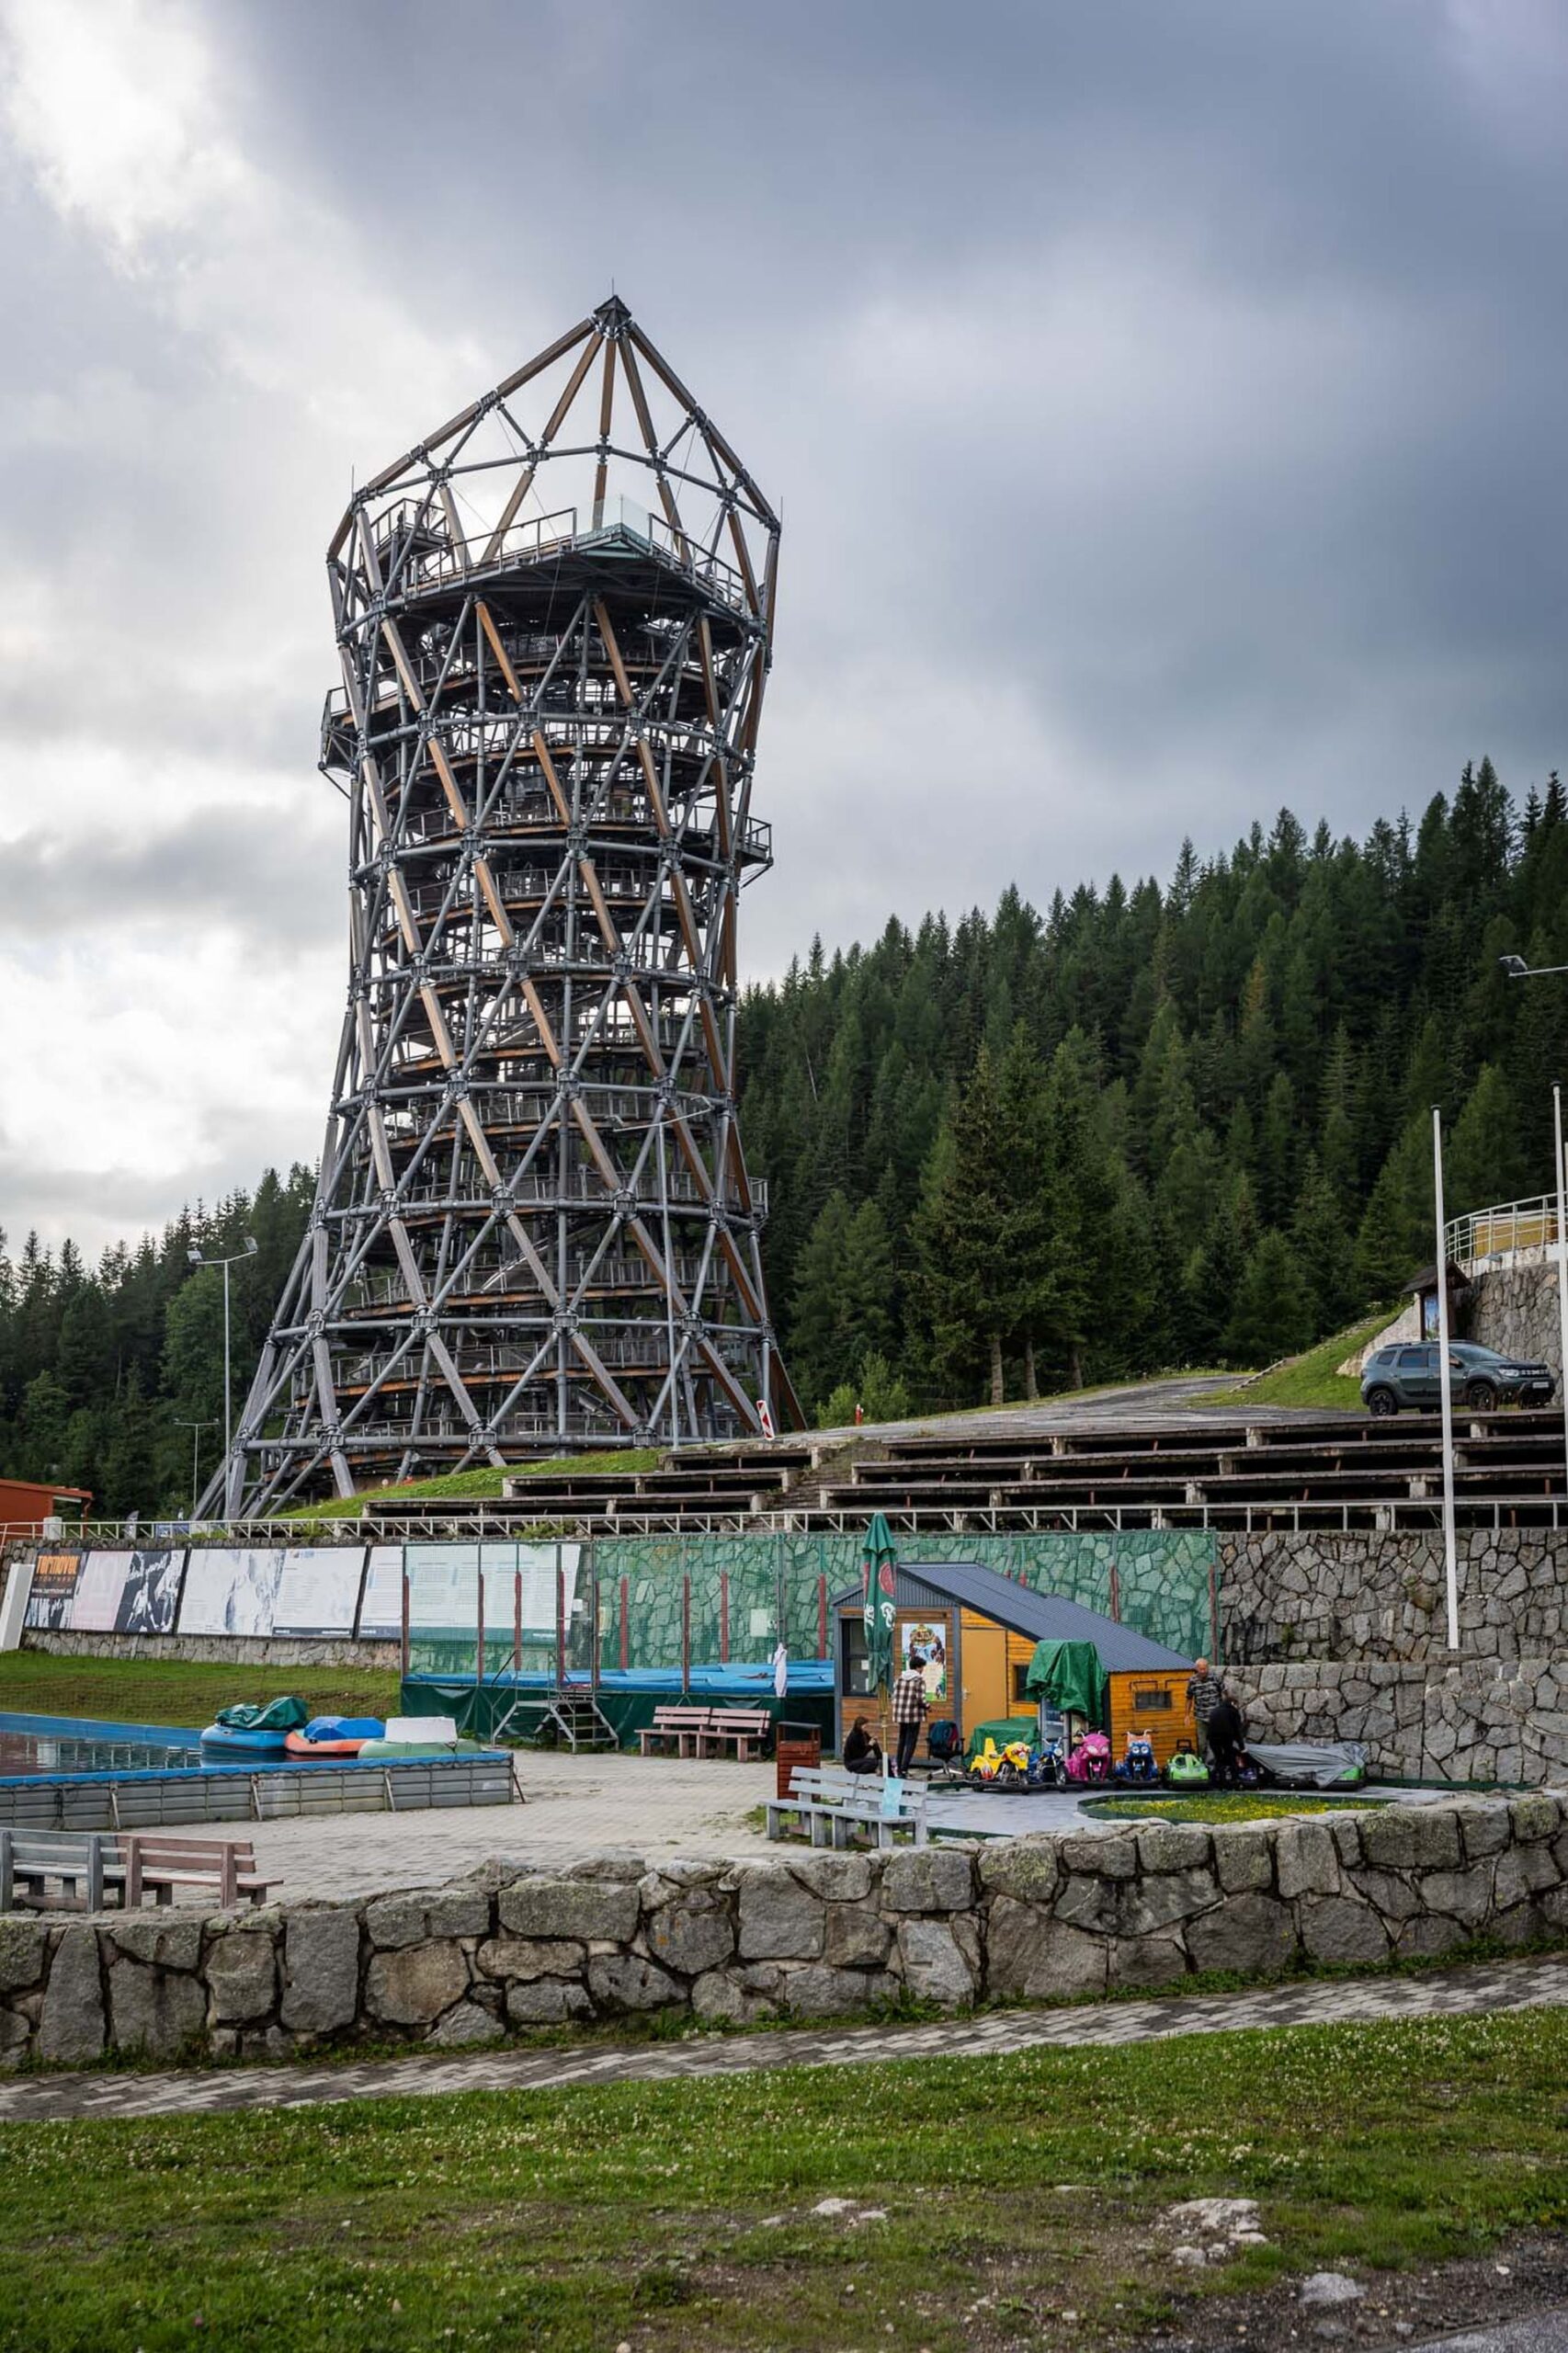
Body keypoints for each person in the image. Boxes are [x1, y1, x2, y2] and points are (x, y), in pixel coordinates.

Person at [890, 1649, 929, 1778]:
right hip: (913, 1715)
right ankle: (904, 1768)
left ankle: (898, 1767)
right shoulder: (919, 1680)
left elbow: (894, 1696)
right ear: (918, 1667)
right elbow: (920, 1699)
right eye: (922, 1667)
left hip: (900, 1714)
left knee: (902, 1740)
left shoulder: (900, 1678)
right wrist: (928, 1706)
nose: (923, 1670)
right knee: (911, 1742)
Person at [1187, 1656, 1227, 1770]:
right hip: (1200, 1716)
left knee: (1213, 1743)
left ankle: (1212, 1767)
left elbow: (1224, 1693)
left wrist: (1225, 1711)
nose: (1203, 1671)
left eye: (1205, 1669)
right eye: (1201, 1669)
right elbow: (1189, 1698)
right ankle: (1202, 1765)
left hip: (1215, 1717)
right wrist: (1187, 1715)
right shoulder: (1192, 1681)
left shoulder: (1216, 1678)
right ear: (1197, 1669)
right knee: (1202, 1744)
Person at [1206, 1691, 1246, 1789]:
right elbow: (1237, 1730)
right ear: (1233, 1703)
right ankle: (1234, 1780)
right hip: (1226, 1737)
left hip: (1212, 1738)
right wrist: (1242, 1747)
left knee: (1219, 1759)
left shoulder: (1215, 1710)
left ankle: (1220, 1782)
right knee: (1231, 1757)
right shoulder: (1233, 1711)